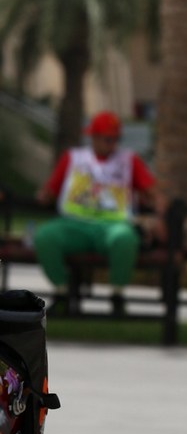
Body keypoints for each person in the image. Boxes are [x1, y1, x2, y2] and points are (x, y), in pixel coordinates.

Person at [34, 112, 162, 319]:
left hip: (113, 225)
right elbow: (49, 191)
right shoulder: (73, 158)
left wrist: (159, 214)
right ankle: (62, 292)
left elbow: (152, 191)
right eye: (106, 138)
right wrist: (42, 196)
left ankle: (117, 296)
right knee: (45, 236)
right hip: (74, 224)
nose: (112, 143)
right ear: (92, 137)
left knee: (125, 239)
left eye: (115, 138)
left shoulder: (129, 160)